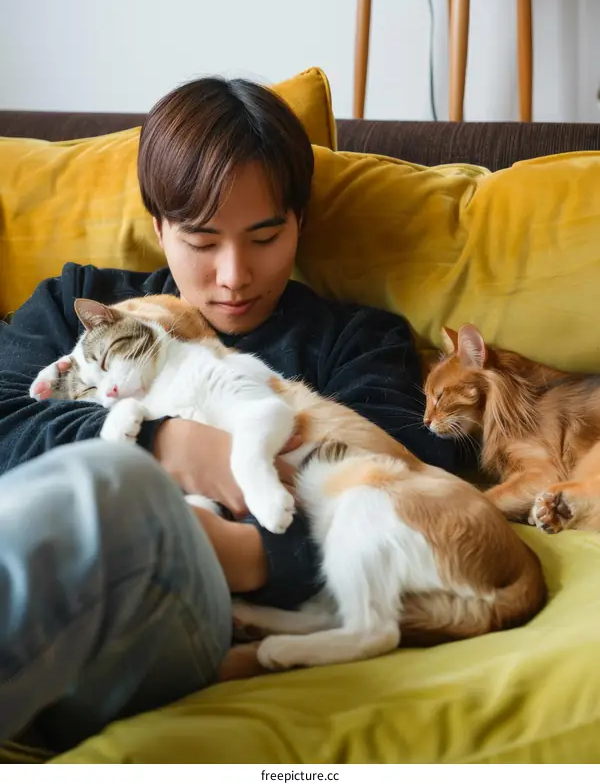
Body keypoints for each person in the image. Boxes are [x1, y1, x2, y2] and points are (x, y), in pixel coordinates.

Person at [0, 76, 462, 753]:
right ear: (158, 226)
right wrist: (169, 443)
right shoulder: (81, 303)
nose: (234, 274)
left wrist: (249, 555)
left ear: (300, 221)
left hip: (190, 610)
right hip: (44, 569)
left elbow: (407, 490)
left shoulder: (354, 342)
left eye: (265, 236)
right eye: (202, 240)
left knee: (115, 483)